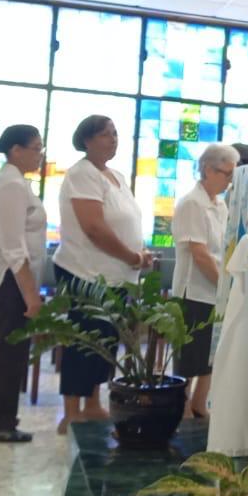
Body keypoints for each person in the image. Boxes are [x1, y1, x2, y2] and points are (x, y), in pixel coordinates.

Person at [52, 115, 153, 434]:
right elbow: (94, 227)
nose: (114, 140)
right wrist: (131, 256)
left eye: (115, 134)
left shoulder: (116, 176)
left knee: (106, 341)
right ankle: (71, 412)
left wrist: (139, 253)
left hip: (116, 274)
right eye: (106, 135)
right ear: (87, 140)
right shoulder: (81, 174)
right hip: (85, 272)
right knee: (84, 342)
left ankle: (93, 403)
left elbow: (126, 220)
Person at [0, 125, 46, 443]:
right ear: (16, 150)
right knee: (9, 350)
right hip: (10, 276)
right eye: (36, 148)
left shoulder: (17, 182)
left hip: (15, 275)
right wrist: (31, 295)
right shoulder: (11, 185)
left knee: (8, 348)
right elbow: (13, 246)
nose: (40, 155)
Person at [170, 144, 236, 419]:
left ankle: (199, 402)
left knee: (210, 352)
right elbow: (199, 253)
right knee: (189, 354)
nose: (229, 181)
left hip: (214, 289)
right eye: (226, 174)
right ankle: (182, 407)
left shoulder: (219, 204)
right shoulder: (192, 203)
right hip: (193, 290)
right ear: (208, 170)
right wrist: (223, 287)